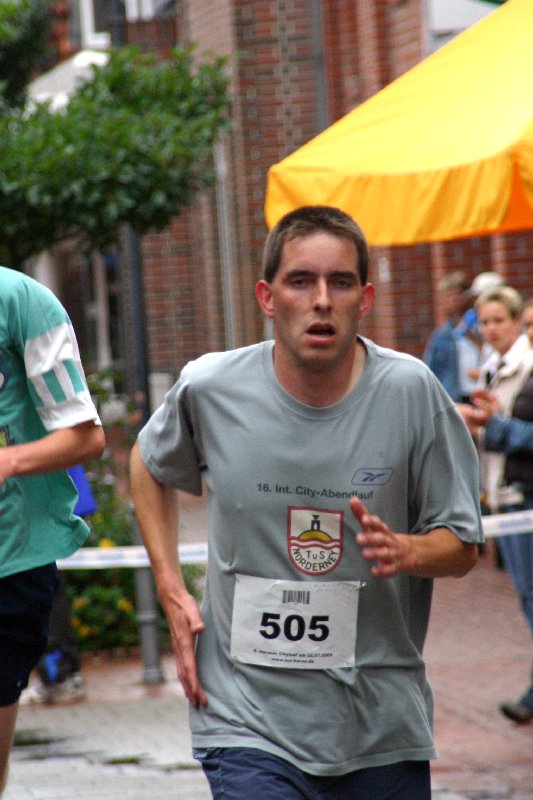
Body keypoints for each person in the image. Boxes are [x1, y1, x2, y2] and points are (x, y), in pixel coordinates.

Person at [130, 205, 482, 800]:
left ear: (365, 299)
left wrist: (408, 550)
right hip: (246, 717)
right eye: (301, 281)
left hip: (378, 721)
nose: (322, 300)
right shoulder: (212, 387)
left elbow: (464, 545)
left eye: (340, 283)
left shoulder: (412, 392)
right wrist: (170, 588)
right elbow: (147, 462)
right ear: (267, 298)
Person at [0, 266, 105, 796]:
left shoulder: (21, 301)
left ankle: (62, 671)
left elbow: (86, 438)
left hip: (10, 562)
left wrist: (9, 461)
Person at [460, 297, 533, 724]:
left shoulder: (525, 366)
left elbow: (519, 431)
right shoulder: (494, 366)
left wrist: (496, 426)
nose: (492, 329)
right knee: (527, 596)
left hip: (523, 497)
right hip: (507, 495)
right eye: (484, 321)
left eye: (500, 320)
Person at [20, 464, 97, 705]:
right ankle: (62, 674)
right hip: (59, 506)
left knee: (50, 595)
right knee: (52, 592)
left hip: (52, 510)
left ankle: (59, 676)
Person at [423, 270, 470, 401]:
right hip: (453, 397)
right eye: (449, 295)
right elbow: (430, 371)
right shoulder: (440, 336)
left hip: (477, 393)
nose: (454, 299)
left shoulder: (478, 327)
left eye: (458, 294)